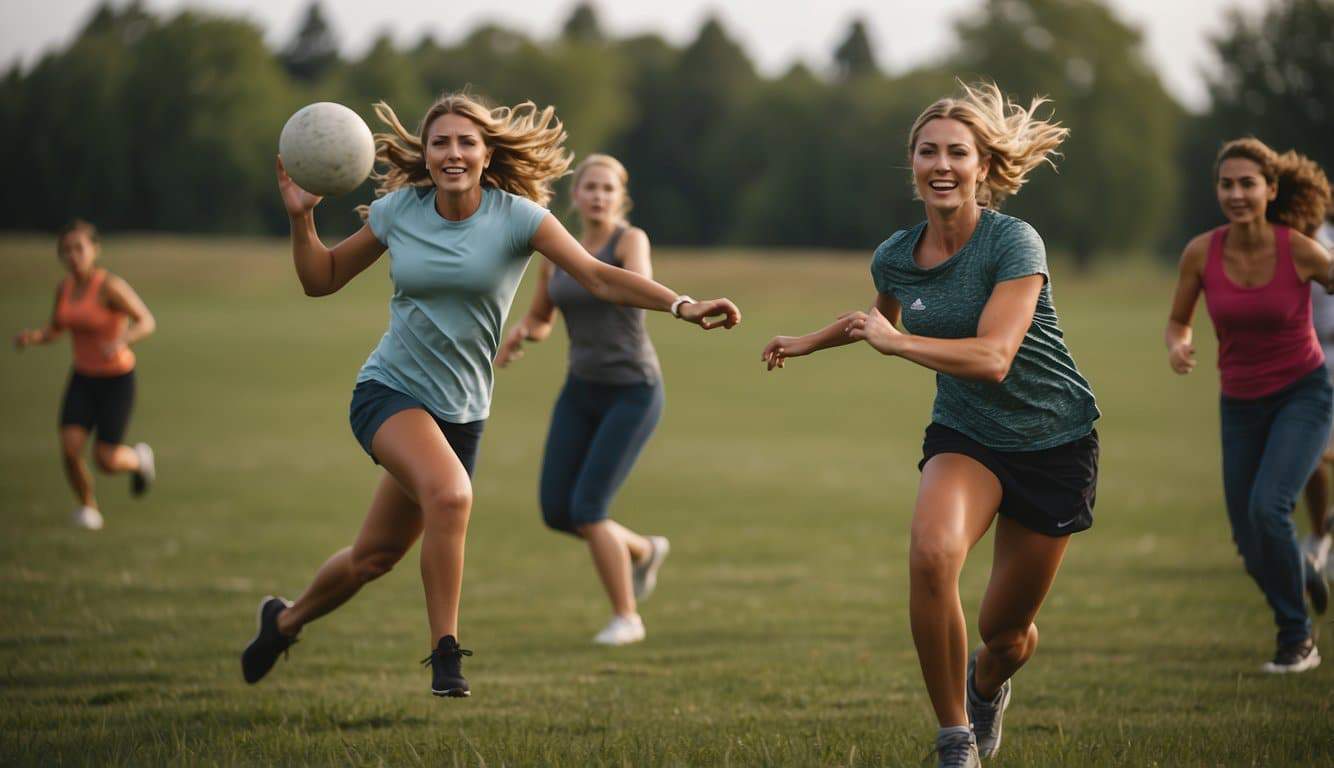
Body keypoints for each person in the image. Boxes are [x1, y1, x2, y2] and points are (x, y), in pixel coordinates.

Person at [241, 93, 740, 698]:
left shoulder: (520, 218)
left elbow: (599, 276)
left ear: (486, 153)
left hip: (462, 414)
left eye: (465, 142)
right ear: (424, 155)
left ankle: (284, 620)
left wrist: (681, 304)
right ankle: (445, 654)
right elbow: (320, 280)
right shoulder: (399, 211)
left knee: (374, 557)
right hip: (389, 391)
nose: (452, 153)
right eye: (440, 143)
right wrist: (301, 218)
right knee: (451, 496)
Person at [761, 81, 1099, 768]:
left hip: (1053, 439)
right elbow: (875, 318)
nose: (941, 164)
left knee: (1005, 635)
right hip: (966, 435)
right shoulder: (894, 254)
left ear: (982, 166)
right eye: (927, 152)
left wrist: (901, 344)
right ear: (912, 165)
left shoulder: (1014, 243)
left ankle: (984, 684)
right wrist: (807, 341)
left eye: (957, 152)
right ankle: (955, 741)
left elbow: (995, 357)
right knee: (930, 554)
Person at [1165, 138, 1334, 674]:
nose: (1236, 194)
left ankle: (1296, 640)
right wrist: (1178, 345)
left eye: (1247, 184)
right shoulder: (1201, 252)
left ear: (1271, 190)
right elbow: (1178, 320)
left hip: (1303, 394)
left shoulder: (1299, 248)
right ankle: (1302, 573)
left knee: (1269, 508)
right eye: (1227, 184)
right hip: (1238, 404)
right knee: (1247, 537)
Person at [496, 154, 669, 646]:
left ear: (620, 197)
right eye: (590, 187)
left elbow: (638, 284)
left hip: (632, 390)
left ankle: (627, 618)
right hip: (580, 389)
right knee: (557, 510)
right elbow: (544, 318)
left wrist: (607, 279)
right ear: (575, 196)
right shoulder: (558, 253)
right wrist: (522, 333)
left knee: (589, 508)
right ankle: (642, 549)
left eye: (608, 189)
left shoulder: (629, 241)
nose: (598, 196)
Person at [13, 219, 157, 530]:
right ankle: (88, 507)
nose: (72, 256)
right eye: (65, 250)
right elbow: (57, 328)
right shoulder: (64, 289)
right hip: (83, 378)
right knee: (69, 448)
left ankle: (139, 461)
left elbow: (146, 321)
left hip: (117, 380)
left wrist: (122, 339)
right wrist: (35, 337)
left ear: (95, 249)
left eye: (79, 248)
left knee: (105, 459)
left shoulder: (109, 287)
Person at [1302, 214, 1334, 588]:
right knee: (1314, 454)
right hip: (1310, 356)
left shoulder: (1324, 244)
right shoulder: (1288, 245)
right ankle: (1319, 532)